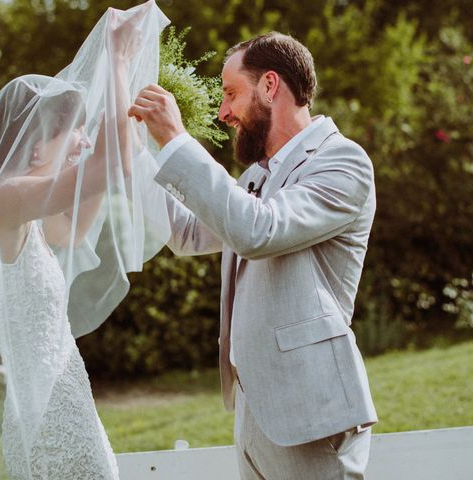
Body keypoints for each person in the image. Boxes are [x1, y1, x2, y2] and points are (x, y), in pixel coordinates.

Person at [0, 3, 171, 479]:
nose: (80, 139)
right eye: (73, 131)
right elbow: (109, 167)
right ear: (38, 144)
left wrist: (103, 140)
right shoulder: (1, 202)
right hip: (49, 416)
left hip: (61, 402)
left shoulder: (28, 217)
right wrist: (118, 60)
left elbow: (77, 227)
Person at [129, 31, 378, 479]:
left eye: (230, 94)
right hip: (256, 414)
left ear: (269, 85)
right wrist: (134, 154)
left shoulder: (343, 162)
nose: (224, 113)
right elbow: (186, 234)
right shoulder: (254, 180)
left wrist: (177, 138)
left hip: (311, 412)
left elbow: (257, 231)